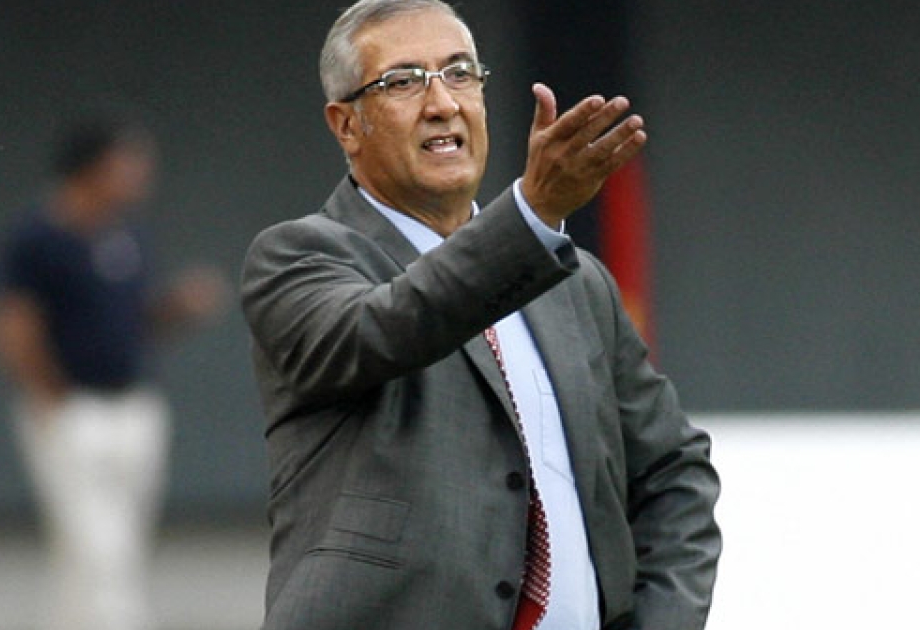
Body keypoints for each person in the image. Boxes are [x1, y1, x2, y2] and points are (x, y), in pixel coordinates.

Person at [239, 1, 721, 629]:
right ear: (347, 124)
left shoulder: (573, 282)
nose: (442, 103)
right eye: (404, 81)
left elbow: (671, 473)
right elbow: (384, 329)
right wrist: (530, 217)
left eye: (460, 73)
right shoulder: (299, 257)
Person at [0, 115, 226, 630]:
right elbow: (15, 325)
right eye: (127, 163)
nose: (140, 174)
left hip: (134, 407)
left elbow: (131, 324)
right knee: (100, 548)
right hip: (73, 409)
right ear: (91, 168)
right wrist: (52, 402)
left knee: (113, 550)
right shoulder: (38, 236)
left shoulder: (127, 237)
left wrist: (178, 307)